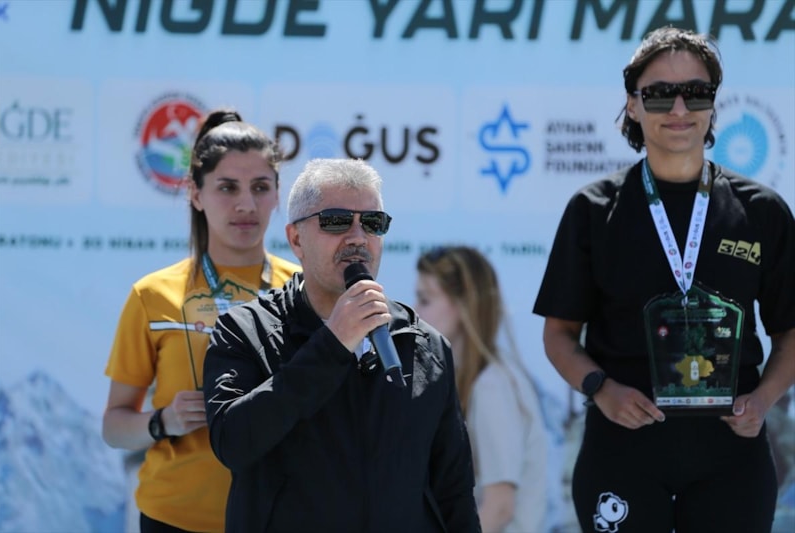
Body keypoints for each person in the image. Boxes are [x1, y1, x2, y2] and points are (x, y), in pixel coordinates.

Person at [533, 26, 795, 533]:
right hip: (622, 447)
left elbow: (790, 334)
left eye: (695, 92)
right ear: (633, 105)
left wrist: (762, 401)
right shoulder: (593, 209)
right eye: (658, 94)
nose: (679, 108)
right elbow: (558, 336)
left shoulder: (762, 211)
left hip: (731, 452)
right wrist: (602, 389)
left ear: (713, 105)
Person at [202, 158, 481, 533]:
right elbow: (233, 442)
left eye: (373, 223)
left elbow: (454, 491)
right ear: (296, 239)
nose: (357, 238)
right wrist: (332, 343)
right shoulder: (245, 330)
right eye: (336, 221)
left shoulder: (424, 343)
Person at [102, 109, 300, 533]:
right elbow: (114, 426)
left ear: (276, 194)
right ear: (195, 194)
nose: (246, 204)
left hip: (278, 516)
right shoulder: (153, 296)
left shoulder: (305, 291)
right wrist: (162, 421)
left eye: (260, 187)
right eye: (227, 187)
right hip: (175, 518)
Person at [416, 245, 550, 533]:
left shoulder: (492, 385)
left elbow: (499, 508)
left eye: (425, 299)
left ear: (463, 304)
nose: (415, 311)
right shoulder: (473, 378)